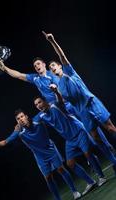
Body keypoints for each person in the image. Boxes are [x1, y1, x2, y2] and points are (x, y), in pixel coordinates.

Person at [42, 31, 116, 175]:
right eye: (51, 68)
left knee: (111, 129)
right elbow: (63, 103)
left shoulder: (69, 71)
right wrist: (56, 92)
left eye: (54, 66)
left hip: (92, 103)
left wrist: (52, 41)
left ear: (60, 66)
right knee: (95, 137)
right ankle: (113, 160)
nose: (52, 68)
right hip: (82, 112)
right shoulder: (59, 87)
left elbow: (62, 56)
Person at [0, 109, 82, 200]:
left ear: (26, 116)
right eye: (18, 119)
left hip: (50, 149)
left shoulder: (37, 120)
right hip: (40, 157)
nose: (21, 119)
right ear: (17, 122)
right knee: (48, 178)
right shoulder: (19, 132)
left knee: (61, 169)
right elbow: (5, 142)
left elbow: (46, 109)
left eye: (22, 116)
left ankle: (75, 192)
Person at [33, 85, 108, 195]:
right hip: (69, 140)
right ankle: (91, 182)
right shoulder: (41, 116)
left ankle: (102, 177)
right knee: (70, 164)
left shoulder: (55, 105)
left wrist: (57, 92)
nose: (38, 105)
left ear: (44, 101)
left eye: (39, 102)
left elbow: (60, 100)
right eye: (36, 105)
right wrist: (19, 126)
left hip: (78, 131)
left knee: (87, 154)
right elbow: (30, 122)